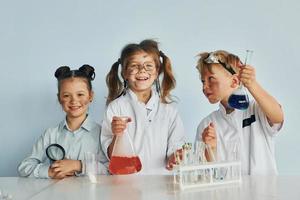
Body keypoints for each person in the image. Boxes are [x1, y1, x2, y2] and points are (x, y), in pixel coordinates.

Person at [101, 39, 185, 174]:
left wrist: (176, 157)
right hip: (126, 188)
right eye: (134, 66)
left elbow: (175, 149)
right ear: (124, 73)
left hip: (161, 187)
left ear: (157, 72)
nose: (141, 70)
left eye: (148, 66)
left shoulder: (169, 111)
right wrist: (117, 135)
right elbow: (111, 157)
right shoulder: (115, 108)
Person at [195, 50, 284, 175]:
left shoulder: (256, 110)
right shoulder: (206, 125)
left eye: (211, 79)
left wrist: (252, 84)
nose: (204, 87)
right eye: (203, 81)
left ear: (234, 81)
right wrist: (211, 149)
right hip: (228, 194)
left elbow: (278, 117)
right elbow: (203, 174)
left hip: (263, 192)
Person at [18, 65, 108, 179]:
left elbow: (110, 169)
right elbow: (24, 168)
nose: (74, 101)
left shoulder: (102, 133)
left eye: (80, 94)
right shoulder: (50, 134)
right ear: (59, 98)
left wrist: (79, 165)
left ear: (91, 96)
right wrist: (50, 172)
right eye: (66, 95)